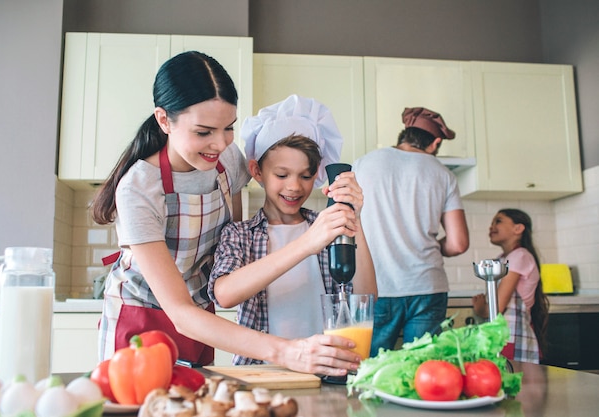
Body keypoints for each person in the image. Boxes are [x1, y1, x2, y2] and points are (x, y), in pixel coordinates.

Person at [90, 52, 363, 377]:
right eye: (204, 131)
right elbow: (178, 310)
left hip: (200, 318)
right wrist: (286, 351)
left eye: (228, 128)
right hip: (143, 318)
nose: (220, 143)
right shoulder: (138, 188)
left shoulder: (226, 161)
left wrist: (344, 204)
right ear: (164, 120)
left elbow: (248, 216)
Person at [208, 95, 377, 365]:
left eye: (306, 176)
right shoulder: (240, 234)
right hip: (261, 375)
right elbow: (224, 295)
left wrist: (355, 221)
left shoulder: (327, 226)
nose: (295, 187)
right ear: (257, 171)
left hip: (324, 368)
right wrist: (306, 244)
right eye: (282, 175)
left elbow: (366, 296)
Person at [352, 107, 470, 356]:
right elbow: (458, 243)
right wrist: (430, 245)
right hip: (427, 287)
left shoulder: (363, 164)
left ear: (404, 134)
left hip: (377, 286)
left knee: (366, 371)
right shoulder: (443, 174)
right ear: (436, 142)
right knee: (423, 370)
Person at [472, 208, 549, 363]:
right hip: (504, 335)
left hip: (510, 336)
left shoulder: (519, 256)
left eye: (498, 221)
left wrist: (481, 309)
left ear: (518, 228)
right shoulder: (503, 259)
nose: (491, 226)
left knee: (513, 382)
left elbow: (497, 307)